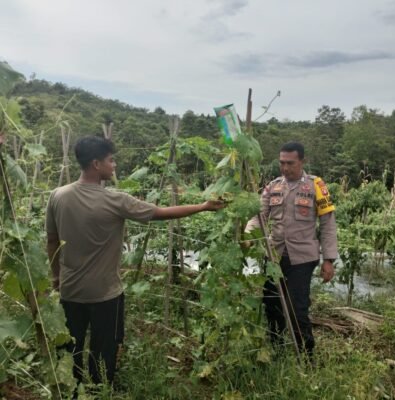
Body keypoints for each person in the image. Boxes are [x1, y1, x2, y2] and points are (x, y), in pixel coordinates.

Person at [46, 136, 224, 387]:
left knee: (69, 347)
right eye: (111, 160)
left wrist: (56, 278)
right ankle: (100, 389)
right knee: (104, 350)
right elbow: (161, 213)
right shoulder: (116, 201)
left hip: (70, 290)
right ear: (96, 164)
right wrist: (203, 206)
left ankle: (71, 388)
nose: (114, 165)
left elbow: (52, 241)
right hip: (105, 294)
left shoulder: (57, 196)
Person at [245, 141, 337, 357]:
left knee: (297, 307)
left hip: (303, 258)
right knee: (272, 303)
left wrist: (328, 260)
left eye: (290, 163)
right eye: (282, 163)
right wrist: (247, 236)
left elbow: (328, 224)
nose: (285, 168)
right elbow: (259, 217)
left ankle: (306, 354)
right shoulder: (273, 186)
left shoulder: (315, 186)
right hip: (275, 256)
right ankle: (276, 347)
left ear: (302, 161)